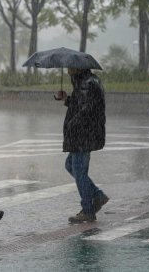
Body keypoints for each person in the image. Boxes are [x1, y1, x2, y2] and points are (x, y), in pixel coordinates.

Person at [56, 68, 109, 223]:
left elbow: (86, 110)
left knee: (79, 171)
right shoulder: (85, 82)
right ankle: (97, 195)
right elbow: (81, 104)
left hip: (83, 134)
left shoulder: (87, 84)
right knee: (70, 165)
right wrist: (67, 99)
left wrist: (73, 123)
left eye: (69, 67)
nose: (67, 70)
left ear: (77, 68)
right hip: (83, 134)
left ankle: (88, 210)